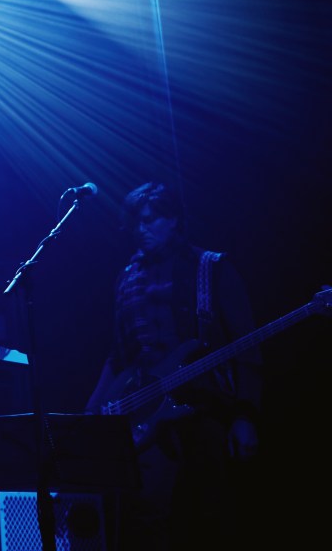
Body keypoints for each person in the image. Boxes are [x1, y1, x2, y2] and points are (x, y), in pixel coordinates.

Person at [84, 182, 262, 549]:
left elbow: (246, 344)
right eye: (135, 222)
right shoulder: (126, 278)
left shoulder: (209, 267)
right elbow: (119, 355)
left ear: (174, 220)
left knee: (212, 515)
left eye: (150, 220)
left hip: (204, 407)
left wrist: (246, 414)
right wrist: (92, 412)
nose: (140, 229)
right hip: (145, 417)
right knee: (148, 518)